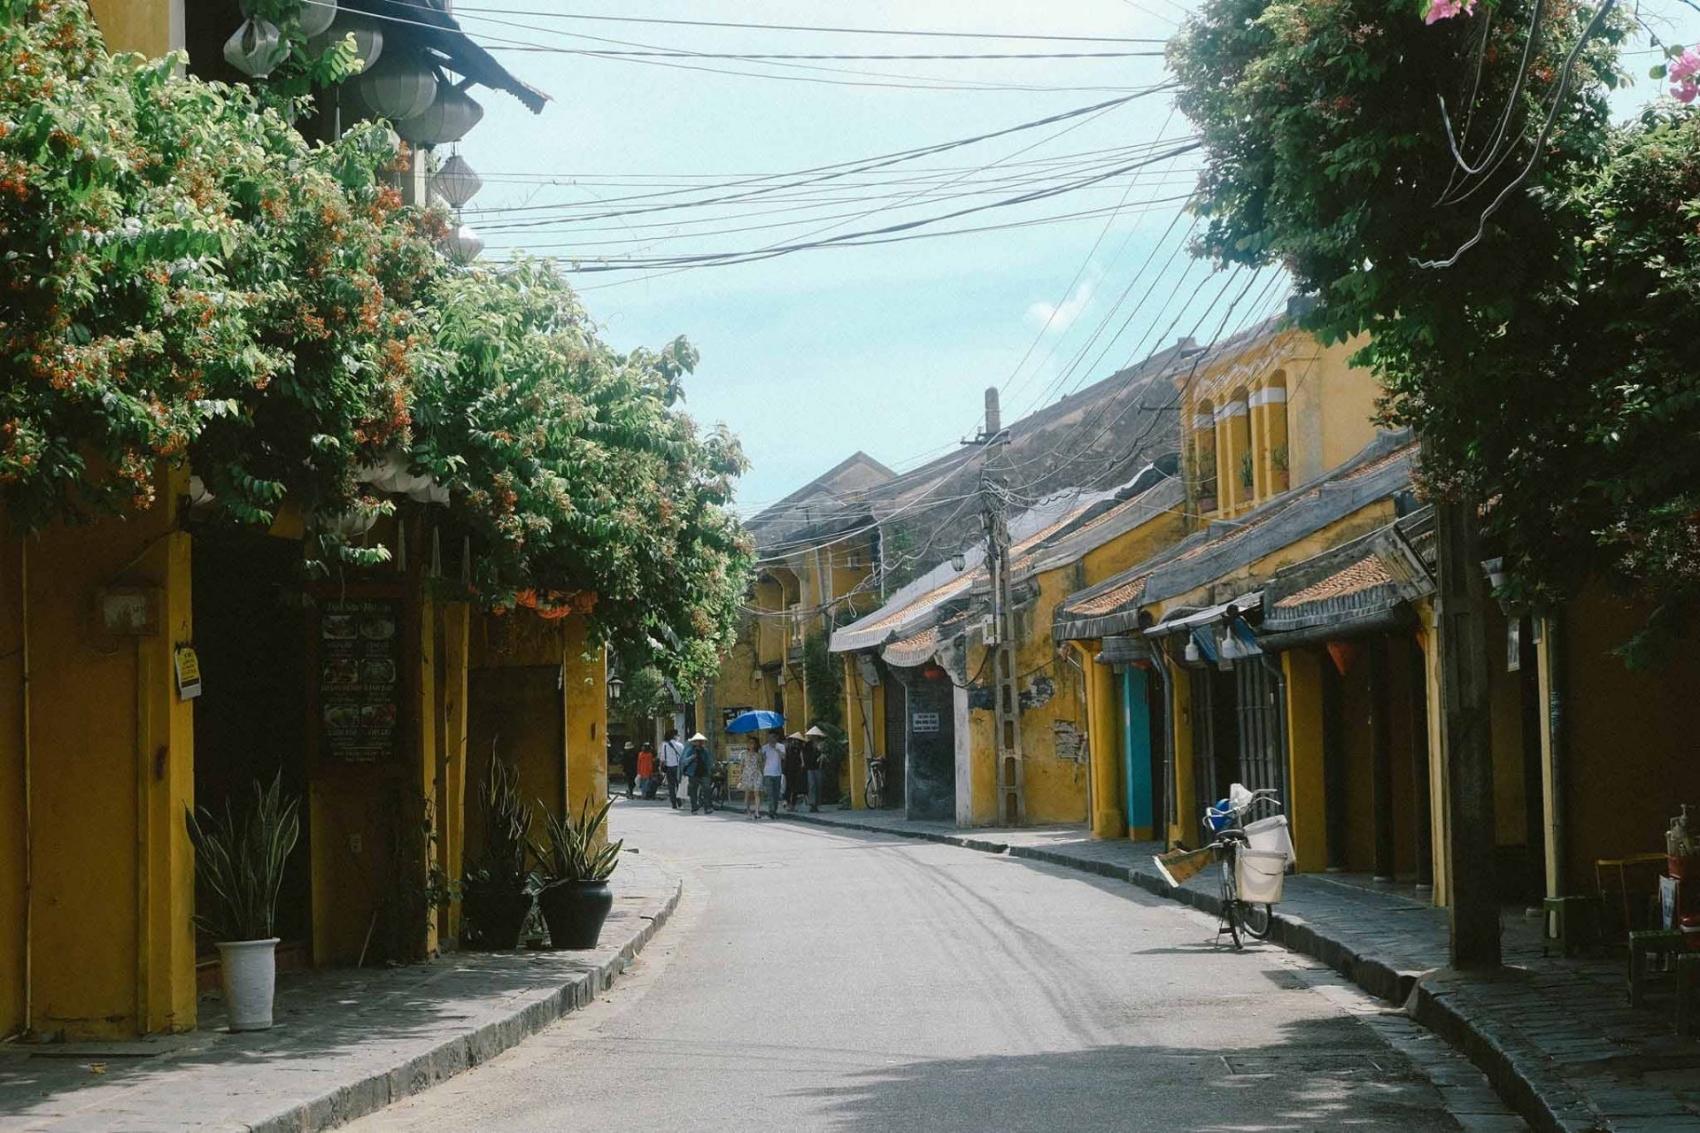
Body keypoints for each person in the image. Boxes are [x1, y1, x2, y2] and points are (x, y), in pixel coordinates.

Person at [683, 732, 714, 814]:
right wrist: (691, 757)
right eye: (698, 741)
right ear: (694, 742)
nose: (700, 743)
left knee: (707, 791)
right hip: (693, 773)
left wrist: (710, 770)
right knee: (693, 792)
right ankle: (694, 808)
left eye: (701, 741)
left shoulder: (705, 751)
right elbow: (684, 761)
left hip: (704, 773)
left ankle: (707, 807)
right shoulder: (690, 750)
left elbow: (709, 761)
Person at [760, 730, 786, 820]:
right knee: (770, 793)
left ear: (776, 738)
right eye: (769, 737)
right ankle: (770, 811)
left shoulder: (781, 746)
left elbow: (783, 757)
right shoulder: (764, 748)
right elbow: (762, 760)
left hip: (777, 773)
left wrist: (776, 749)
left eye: (773, 737)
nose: (771, 739)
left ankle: (774, 811)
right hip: (767, 773)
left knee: (776, 794)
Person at [737, 742, 763, 820]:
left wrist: (762, 774)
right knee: (748, 794)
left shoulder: (757, 754)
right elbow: (741, 765)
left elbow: (760, 764)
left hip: (756, 774)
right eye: (750, 743)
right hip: (747, 774)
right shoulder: (744, 754)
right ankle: (748, 811)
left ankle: (757, 812)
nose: (752, 745)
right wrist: (740, 776)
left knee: (757, 792)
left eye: (753, 743)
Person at [803, 726, 826, 813]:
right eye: (812, 735)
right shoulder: (807, 745)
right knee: (811, 786)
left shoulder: (822, 744)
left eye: (815, 735)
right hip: (810, 767)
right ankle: (812, 804)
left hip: (818, 767)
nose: (813, 737)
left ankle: (817, 804)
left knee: (818, 785)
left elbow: (824, 754)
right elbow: (806, 756)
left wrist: (821, 752)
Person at [660, 728, 685, 809]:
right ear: (674, 736)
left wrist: (661, 768)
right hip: (677, 767)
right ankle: (680, 803)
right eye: (677, 735)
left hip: (669, 767)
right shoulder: (680, 745)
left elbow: (662, 758)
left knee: (671, 786)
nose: (678, 736)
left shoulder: (664, 745)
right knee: (679, 786)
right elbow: (683, 756)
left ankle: (673, 804)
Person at [782, 732, 805, 811]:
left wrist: (802, 764)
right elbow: (785, 758)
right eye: (794, 740)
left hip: (796, 770)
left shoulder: (799, 749)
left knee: (795, 788)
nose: (795, 741)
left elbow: (801, 759)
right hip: (789, 770)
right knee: (789, 788)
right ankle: (788, 803)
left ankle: (793, 805)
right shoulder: (788, 747)